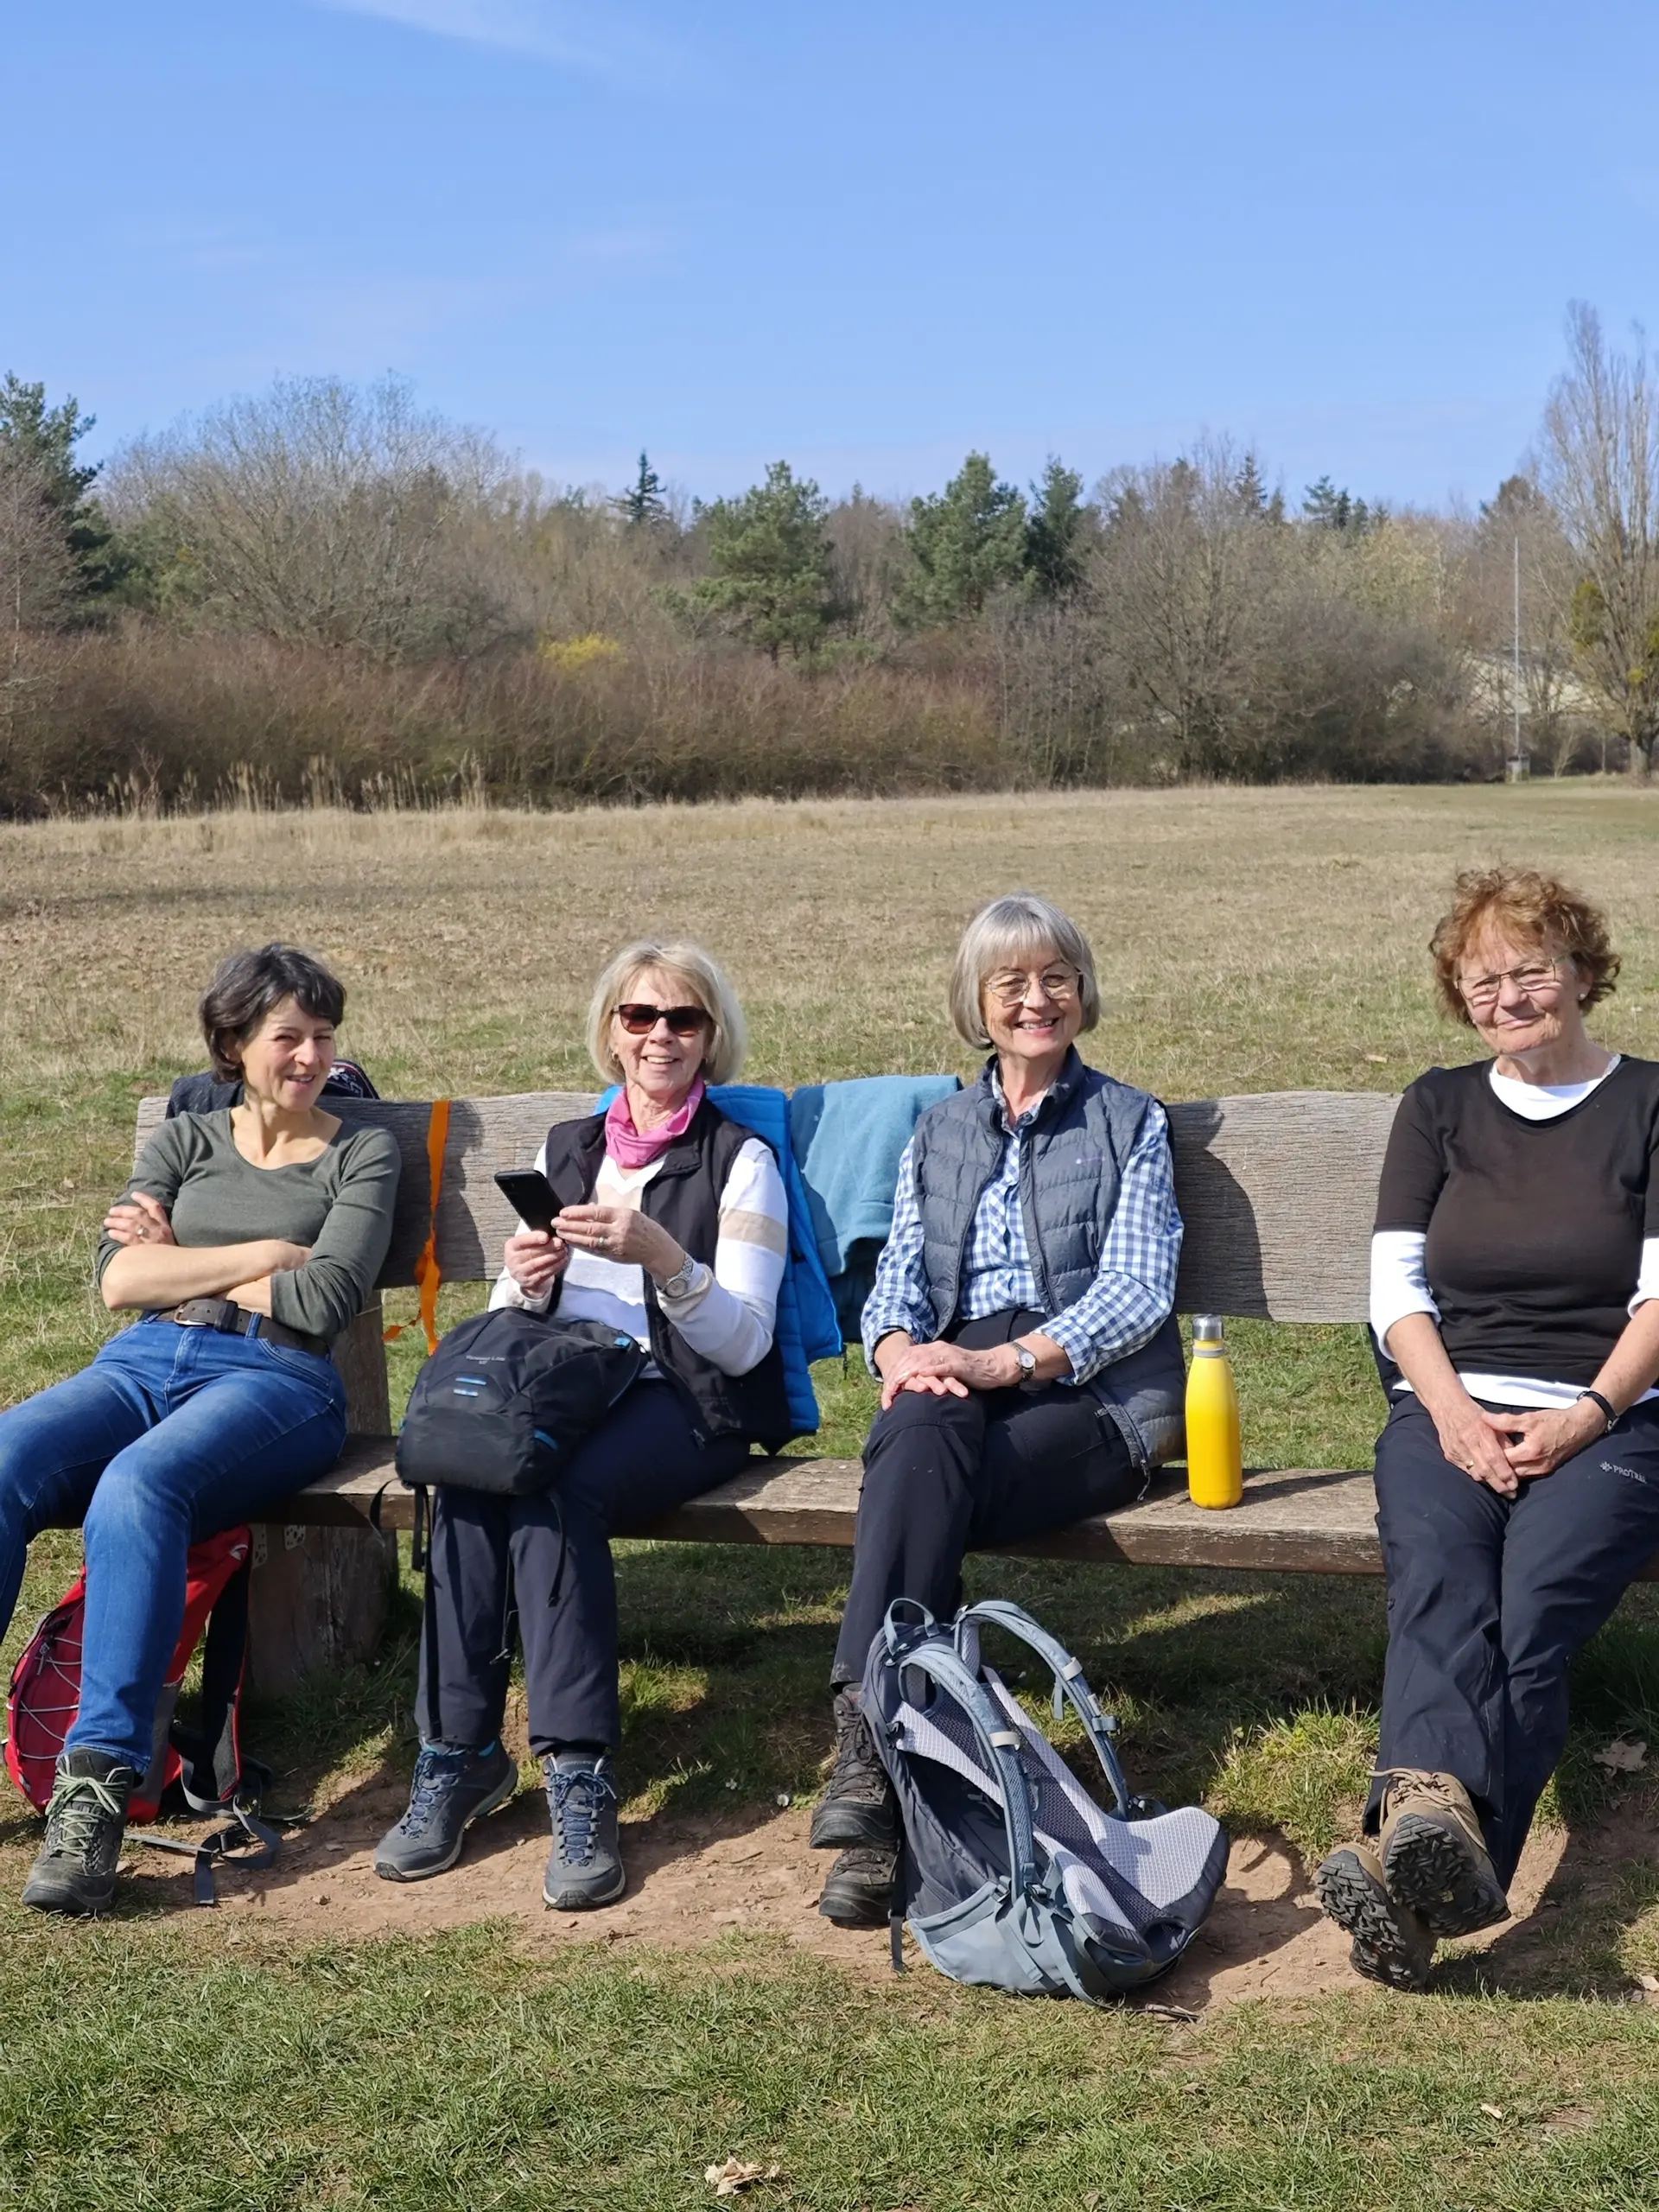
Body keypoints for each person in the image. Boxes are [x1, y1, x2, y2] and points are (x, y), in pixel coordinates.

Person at [375, 939, 792, 1909]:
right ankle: (459, 1750)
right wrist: (525, 1284)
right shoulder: (566, 1148)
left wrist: (662, 1257)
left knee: (556, 1485)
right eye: (639, 1017)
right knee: (474, 1466)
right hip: (566, 1384)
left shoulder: (741, 1159)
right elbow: (516, 1311)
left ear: (711, 1037)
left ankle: (577, 1768)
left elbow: (743, 1342)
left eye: (682, 1019)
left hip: (689, 1399)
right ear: (610, 1031)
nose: (659, 1036)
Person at [0, 944, 401, 1916]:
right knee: (6, 1454)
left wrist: (188, 1258)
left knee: (141, 1487)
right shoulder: (186, 1137)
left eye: (322, 1037)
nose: (309, 1057)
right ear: (233, 1042)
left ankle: (94, 1793)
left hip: (280, 1380)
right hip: (142, 1361)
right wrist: (266, 1249)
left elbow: (327, 1297)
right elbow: (117, 1282)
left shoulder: (362, 1149)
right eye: (287, 1037)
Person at [810, 891, 1185, 1927]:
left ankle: (869, 1765)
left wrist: (1000, 1363)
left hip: (1094, 1397)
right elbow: (896, 1283)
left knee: (919, 1474)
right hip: (956, 1389)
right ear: (977, 1003)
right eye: (1011, 982)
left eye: (1056, 978)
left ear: (1083, 993)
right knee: (920, 1435)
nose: (1037, 999)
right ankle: (887, 1772)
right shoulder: (939, 1129)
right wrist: (897, 1351)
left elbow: (1138, 1289)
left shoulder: (1130, 1120)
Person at [1316, 866, 1659, 1992]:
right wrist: (1454, 1413)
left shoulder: (1650, 1102)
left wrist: (1585, 1416)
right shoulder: (1439, 1106)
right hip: (1447, 1406)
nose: (1509, 995)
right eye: (1483, 979)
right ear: (1458, 997)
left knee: (1531, 1609)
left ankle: (1409, 1874)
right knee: (1442, 1577)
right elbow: (1396, 1292)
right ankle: (1432, 1860)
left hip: (1612, 1417)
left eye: (1530, 970)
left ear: (1582, 972)